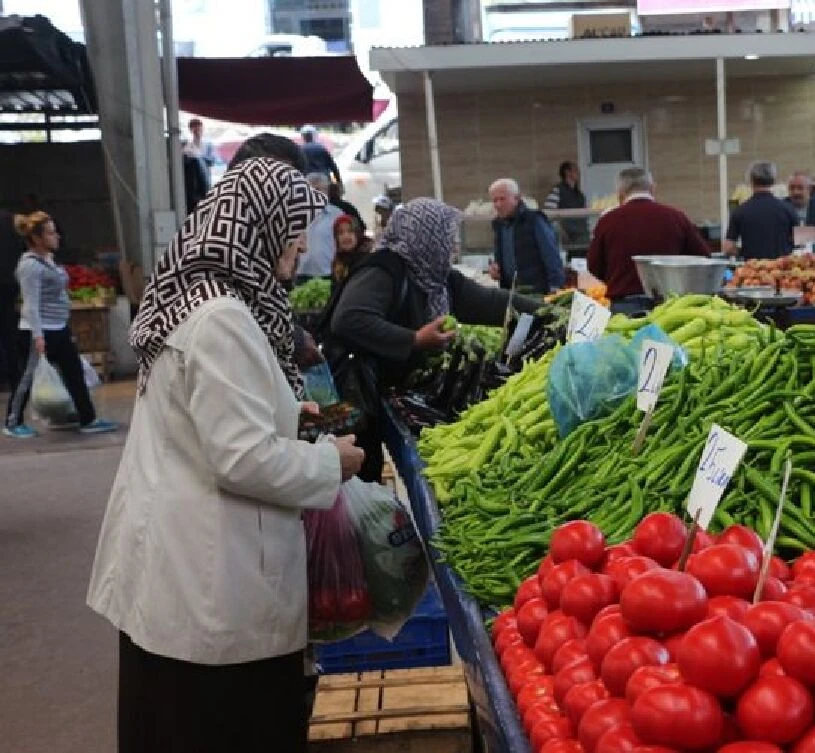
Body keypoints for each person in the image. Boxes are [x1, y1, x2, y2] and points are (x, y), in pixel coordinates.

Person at [87, 157, 365, 753]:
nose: (301, 242)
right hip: (206, 582)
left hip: (180, 564)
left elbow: (206, 419)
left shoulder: (199, 298)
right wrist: (328, 463)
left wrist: (288, 417)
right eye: (294, 226)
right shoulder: (221, 319)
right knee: (219, 725)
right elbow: (239, 458)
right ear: (260, 226)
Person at [325, 197, 543, 482]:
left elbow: (491, 302)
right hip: (359, 395)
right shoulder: (383, 270)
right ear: (425, 235)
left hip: (393, 393)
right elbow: (349, 319)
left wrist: (554, 310)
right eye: (445, 236)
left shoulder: (436, 278)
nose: (452, 245)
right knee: (361, 472)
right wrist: (414, 339)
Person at [4, 212, 118, 438]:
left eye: (55, 231)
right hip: (38, 331)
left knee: (74, 373)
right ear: (37, 239)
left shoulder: (48, 260)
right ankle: (12, 422)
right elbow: (31, 304)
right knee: (25, 378)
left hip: (58, 328)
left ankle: (88, 418)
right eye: (50, 233)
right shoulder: (30, 266)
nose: (57, 236)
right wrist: (38, 336)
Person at [587, 168, 709, 300]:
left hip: (623, 302)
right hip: (669, 303)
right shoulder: (676, 217)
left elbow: (594, 265)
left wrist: (616, 278)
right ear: (652, 188)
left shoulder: (607, 221)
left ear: (620, 193)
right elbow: (702, 257)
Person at [488, 178, 566, 294]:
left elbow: (551, 256)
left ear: (516, 198)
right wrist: (495, 269)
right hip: (510, 293)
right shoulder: (498, 225)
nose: (498, 204)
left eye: (502, 199)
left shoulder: (534, 220)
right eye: (495, 200)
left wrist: (555, 287)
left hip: (536, 292)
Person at [723, 161, 797, 260]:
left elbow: (728, 248)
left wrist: (744, 251)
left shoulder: (739, 211)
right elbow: (800, 242)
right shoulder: (788, 209)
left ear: (751, 181)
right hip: (781, 270)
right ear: (773, 180)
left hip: (753, 270)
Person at [296, 173, 345, 282]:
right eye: (312, 190)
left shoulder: (337, 214)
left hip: (328, 273)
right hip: (300, 273)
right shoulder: (296, 213)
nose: (316, 194)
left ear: (327, 192)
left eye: (320, 190)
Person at [0, 208, 21, 392]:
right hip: (10, 284)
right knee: (9, 334)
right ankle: (13, 376)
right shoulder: (11, 220)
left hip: (7, 283)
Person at [543, 160, 588, 247]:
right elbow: (548, 215)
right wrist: (561, 232)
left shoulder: (580, 195)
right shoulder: (557, 191)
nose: (578, 172)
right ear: (567, 172)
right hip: (565, 238)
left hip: (582, 237)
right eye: (575, 170)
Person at [332, 213, 373, 285]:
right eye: (341, 233)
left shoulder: (368, 259)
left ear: (357, 234)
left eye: (350, 231)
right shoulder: (338, 262)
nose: (346, 236)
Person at [181, 137, 210, 216]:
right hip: (196, 197)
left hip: (187, 197)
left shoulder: (178, 161)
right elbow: (204, 182)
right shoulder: (196, 160)